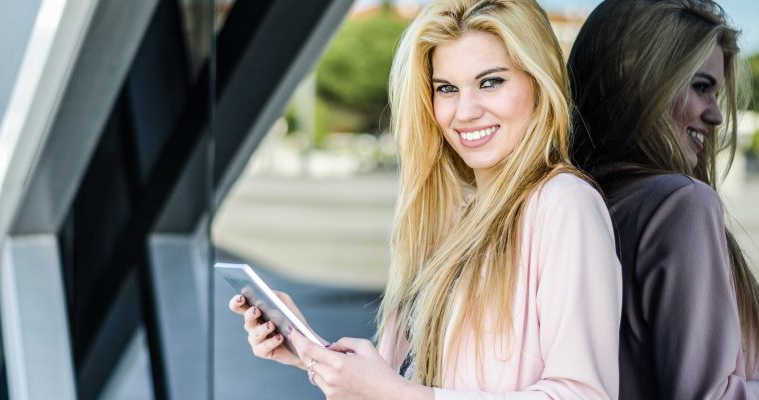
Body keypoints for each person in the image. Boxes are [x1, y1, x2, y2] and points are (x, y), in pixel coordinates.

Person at [230, 0, 621, 398]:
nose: (465, 112)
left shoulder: (565, 205)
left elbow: (583, 394)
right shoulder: (448, 217)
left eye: (490, 82)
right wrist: (311, 355)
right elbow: (401, 385)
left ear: (538, 83)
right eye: (446, 89)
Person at [568, 0, 759, 398]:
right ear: (643, 83)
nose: (717, 116)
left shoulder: (572, 203)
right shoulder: (682, 204)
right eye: (701, 87)